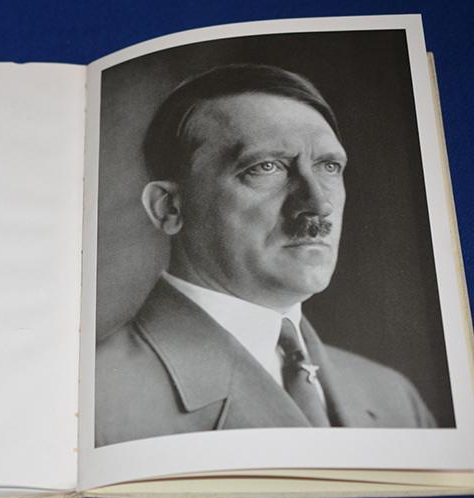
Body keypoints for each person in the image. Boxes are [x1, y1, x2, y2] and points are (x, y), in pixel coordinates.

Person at [95, 64, 436, 447]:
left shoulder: (394, 398)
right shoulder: (99, 399)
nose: (319, 204)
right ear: (169, 208)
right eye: (266, 167)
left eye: (328, 166)